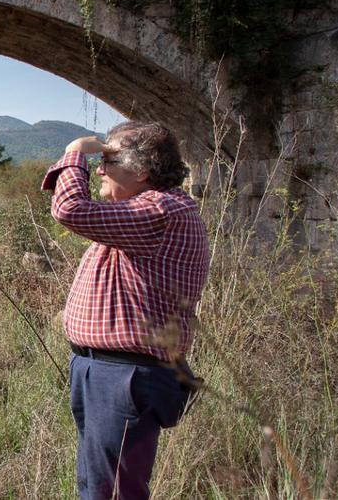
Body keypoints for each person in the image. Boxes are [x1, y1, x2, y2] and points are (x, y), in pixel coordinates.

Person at [40, 121, 210, 499]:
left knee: (114, 492)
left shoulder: (160, 211)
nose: (99, 169)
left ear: (142, 171)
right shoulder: (144, 213)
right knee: (99, 487)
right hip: (108, 371)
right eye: (97, 161)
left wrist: (74, 152)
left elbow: (69, 210)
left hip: (125, 375)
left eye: (109, 160)